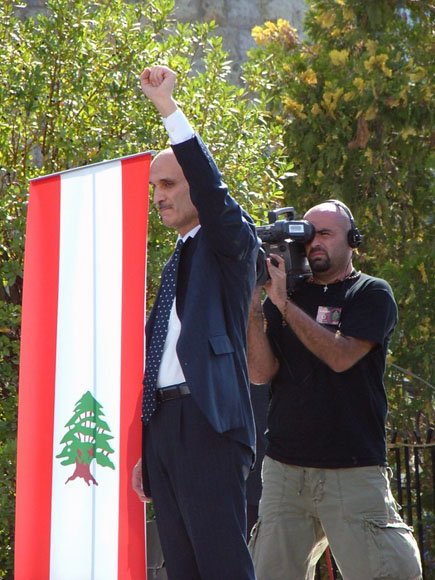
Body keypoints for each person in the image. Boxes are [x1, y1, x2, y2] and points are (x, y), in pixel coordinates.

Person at [247, 200, 422, 580]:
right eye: (310, 234)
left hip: (351, 468)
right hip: (285, 470)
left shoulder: (371, 293)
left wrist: (284, 305)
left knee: (386, 572)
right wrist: (254, 305)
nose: (314, 243)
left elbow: (341, 356)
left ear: (352, 240)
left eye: (325, 233)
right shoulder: (285, 295)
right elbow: (261, 373)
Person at [132, 65, 258, 580]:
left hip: (209, 421)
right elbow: (157, 358)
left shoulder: (228, 242)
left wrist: (168, 110)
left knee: (222, 565)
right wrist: (147, 445)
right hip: (164, 428)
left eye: (168, 183)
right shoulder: (173, 261)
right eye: (153, 187)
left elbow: (212, 189)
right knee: (180, 568)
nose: (158, 195)